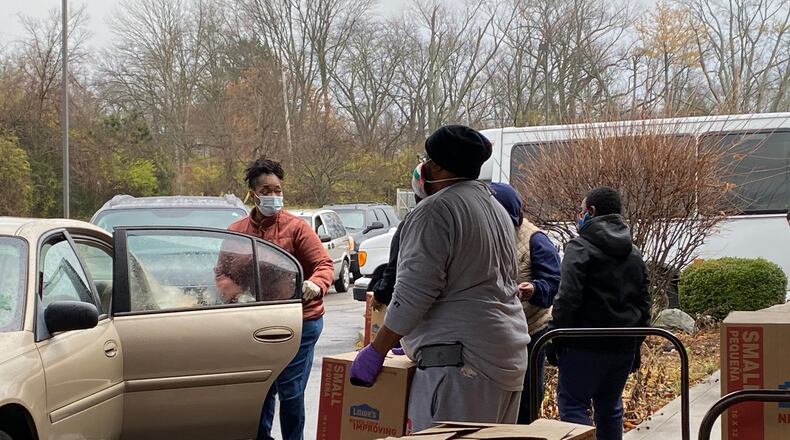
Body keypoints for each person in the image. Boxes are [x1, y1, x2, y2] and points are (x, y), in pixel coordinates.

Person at [349, 125, 530, 431]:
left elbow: (414, 293)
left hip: (460, 365)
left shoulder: (435, 211)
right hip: (505, 353)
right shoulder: (494, 207)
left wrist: (377, 350)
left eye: (428, 159)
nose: (424, 165)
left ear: (438, 166)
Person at [215, 158, 334, 440]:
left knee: (291, 392)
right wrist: (231, 290)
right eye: (266, 191)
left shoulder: (296, 228)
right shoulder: (237, 231)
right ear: (252, 194)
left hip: (300, 321)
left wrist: (315, 284)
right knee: (260, 390)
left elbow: (324, 264)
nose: (273, 196)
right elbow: (222, 271)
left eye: (277, 190)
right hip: (257, 321)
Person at [550, 186, 650, 440]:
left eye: (582, 210)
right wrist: (637, 342)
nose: (579, 215)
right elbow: (643, 302)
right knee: (610, 407)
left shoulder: (579, 247)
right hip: (623, 346)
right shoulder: (634, 252)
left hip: (584, 344)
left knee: (573, 406)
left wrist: (556, 336)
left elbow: (568, 298)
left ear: (591, 212)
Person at [489, 183, 561, 424]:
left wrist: (534, 289)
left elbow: (553, 282)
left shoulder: (535, 240)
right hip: (492, 332)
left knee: (527, 398)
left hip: (529, 330)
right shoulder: (483, 233)